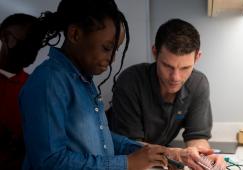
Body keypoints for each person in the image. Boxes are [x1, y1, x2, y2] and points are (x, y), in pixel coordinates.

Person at [19, 0, 169, 169]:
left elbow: (101, 139)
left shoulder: (83, 82)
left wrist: (151, 152)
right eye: (106, 48)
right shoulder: (48, 82)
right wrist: (126, 163)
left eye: (115, 50)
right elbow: (50, 161)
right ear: (75, 34)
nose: (112, 59)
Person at [108, 18, 226, 169]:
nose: (175, 78)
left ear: (197, 57)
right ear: (155, 53)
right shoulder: (130, 81)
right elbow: (130, 146)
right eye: (167, 66)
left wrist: (204, 158)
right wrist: (175, 155)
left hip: (160, 158)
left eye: (185, 68)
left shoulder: (198, 83)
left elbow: (197, 137)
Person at [0, 13, 38, 169]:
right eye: (27, 41)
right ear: (5, 37)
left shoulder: (36, 86)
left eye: (36, 44)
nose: (31, 49)